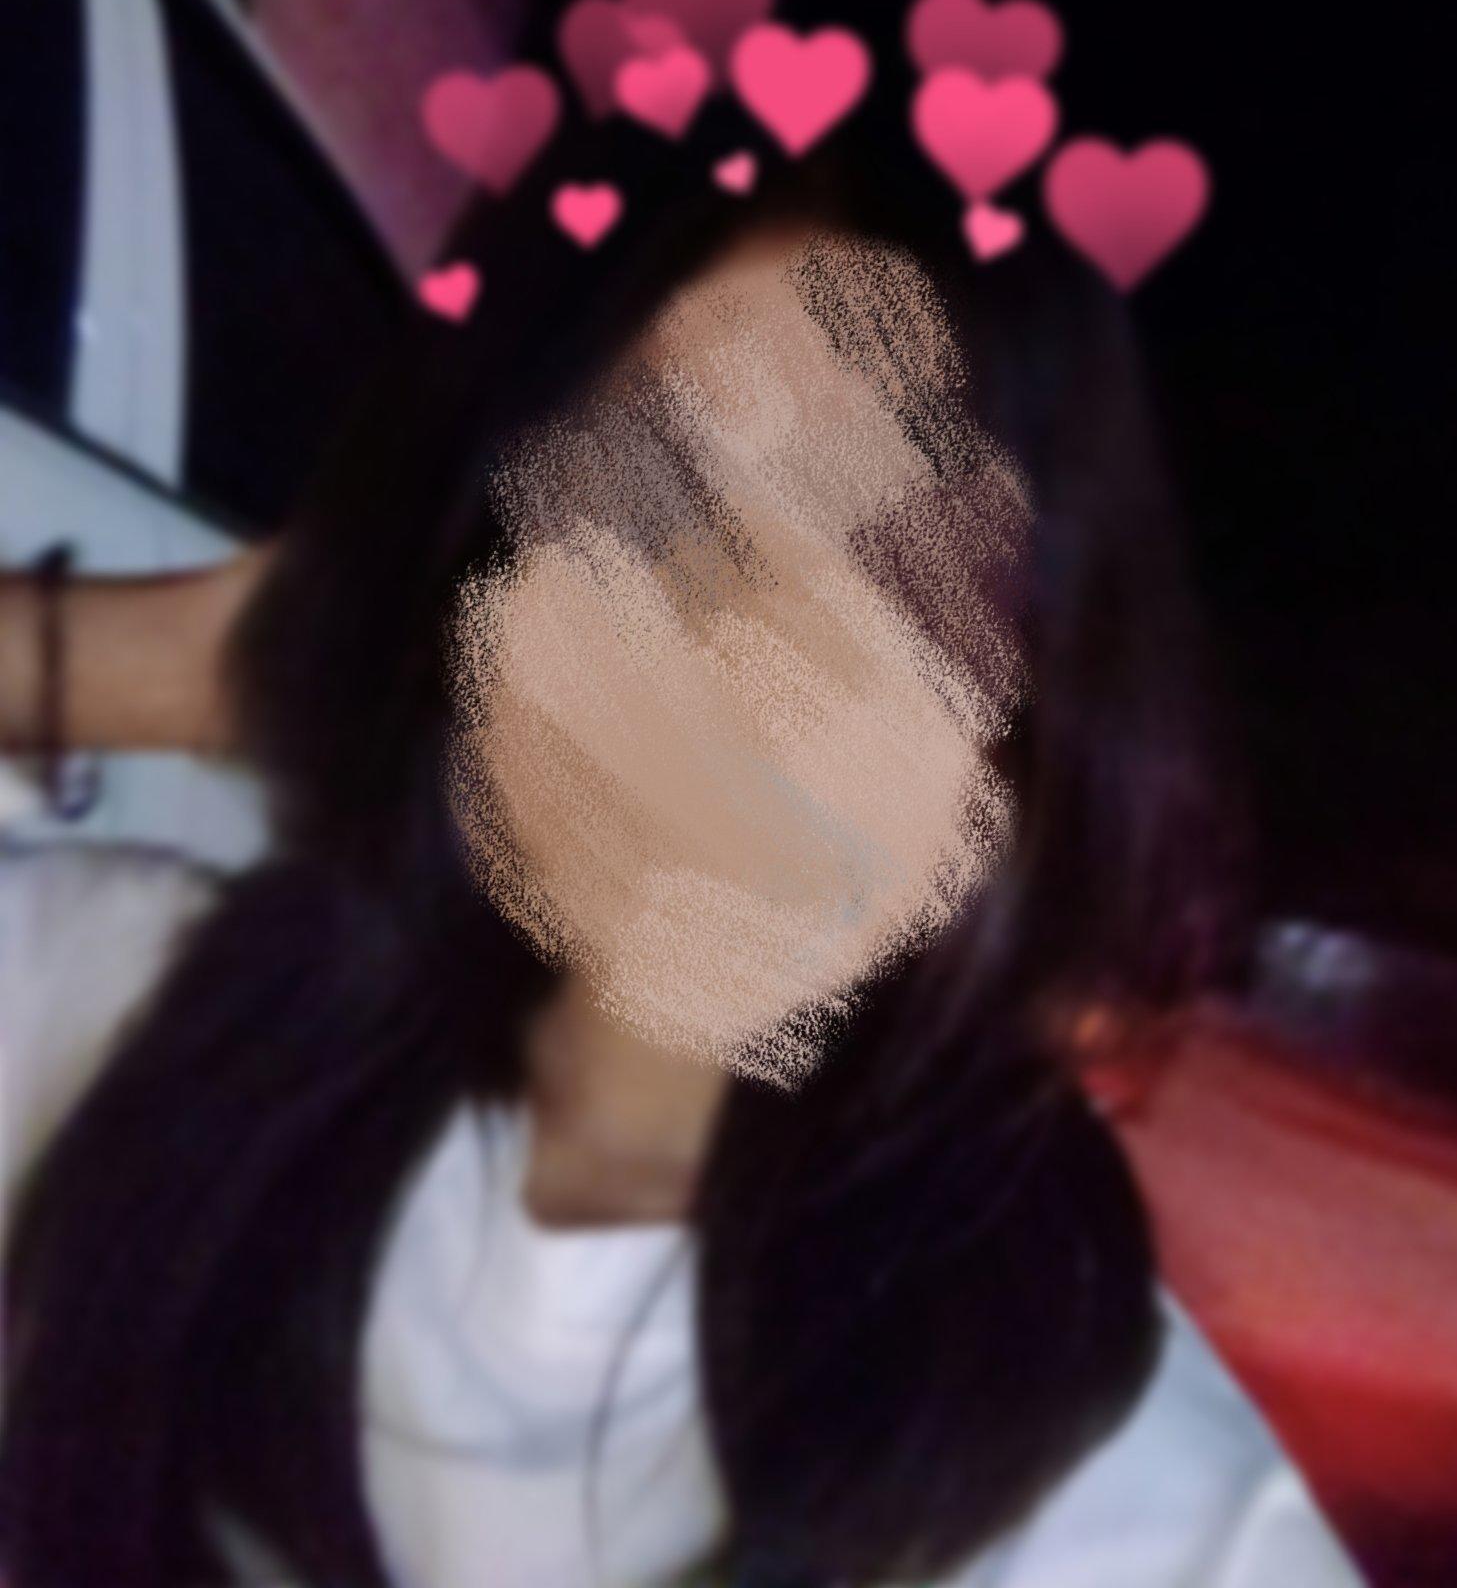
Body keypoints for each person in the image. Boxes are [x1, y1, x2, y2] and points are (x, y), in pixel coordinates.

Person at [0, 88, 1367, 1587]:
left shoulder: (1137, 1513)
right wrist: (172, 656)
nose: (752, 646)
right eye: (653, 501)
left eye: (901, 569)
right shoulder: (114, 1017)